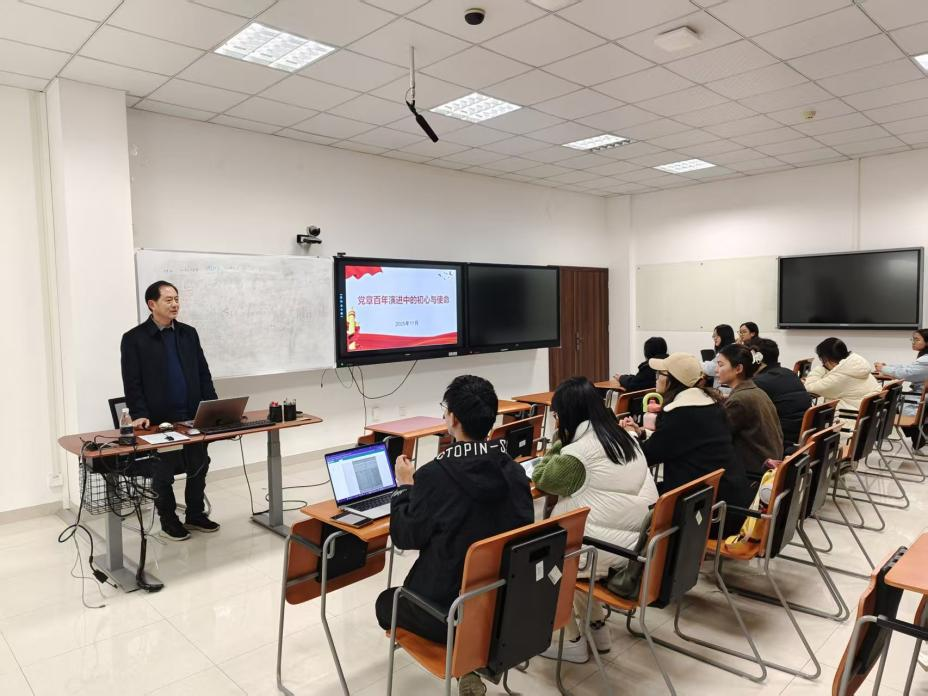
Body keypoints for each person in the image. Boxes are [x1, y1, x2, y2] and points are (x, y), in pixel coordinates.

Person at [375, 375, 533, 696]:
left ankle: (465, 660)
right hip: (503, 607)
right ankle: (471, 664)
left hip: (446, 614)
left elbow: (405, 536)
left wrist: (404, 487)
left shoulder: (433, 476)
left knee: (385, 603)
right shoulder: (515, 472)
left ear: (453, 419)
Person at [533, 377, 657, 664]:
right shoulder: (624, 438)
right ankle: (598, 628)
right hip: (632, 546)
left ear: (566, 415)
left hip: (599, 549)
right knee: (575, 554)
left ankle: (571, 641)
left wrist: (558, 442)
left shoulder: (578, 455)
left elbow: (542, 477)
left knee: (547, 563)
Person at [120, 281, 220, 541]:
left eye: (177, 299)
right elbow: (132, 382)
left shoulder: (188, 333)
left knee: (199, 464)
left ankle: (195, 514)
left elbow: (203, 372)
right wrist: (139, 413)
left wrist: (212, 405)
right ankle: (168, 519)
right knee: (162, 471)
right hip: (159, 420)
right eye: (168, 300)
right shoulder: (134, 339)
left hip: (191, 415)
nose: (175, 304)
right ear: (152, 304)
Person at [621, 353, 752, 537]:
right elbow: (683, 440)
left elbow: (646, 456)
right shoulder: (712, 405)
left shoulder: (678, 413)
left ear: (673, 380)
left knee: (633, 504)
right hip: (729, 504)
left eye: (660, 374)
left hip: (705, 515)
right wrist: (643, 433)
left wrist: (631, 434)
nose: (656, 378)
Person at [717, 344, 784, 478]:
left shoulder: (739, 400)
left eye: (720, 365)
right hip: (768, 467)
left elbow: (718, 435)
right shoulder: (757, 392)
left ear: (738, 368)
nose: (716, 369)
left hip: (753, 474)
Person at [751, 338, 813, 449]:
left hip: (780, 441)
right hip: (799, 436)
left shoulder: (759, 382)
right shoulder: (790, 373)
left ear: (756, 360)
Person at [875, 329, 928, 449]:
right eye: (913, 339)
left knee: (886, 401)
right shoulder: (924, 358)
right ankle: (918, 436)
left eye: (917, 339)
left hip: (919, 400)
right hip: (921, 398)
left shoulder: (926, 360)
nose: (913, 342)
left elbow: (906, 373)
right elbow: (907, 367)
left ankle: (917, 435)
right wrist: (887, 367)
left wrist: (883, 369)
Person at [804, 338, 881, 414]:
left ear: (826, 359)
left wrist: (820, 368)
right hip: (868, 416)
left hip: (848, 419)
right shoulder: (856, 365)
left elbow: (809, 387)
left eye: (822, 360)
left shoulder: (840, 377)